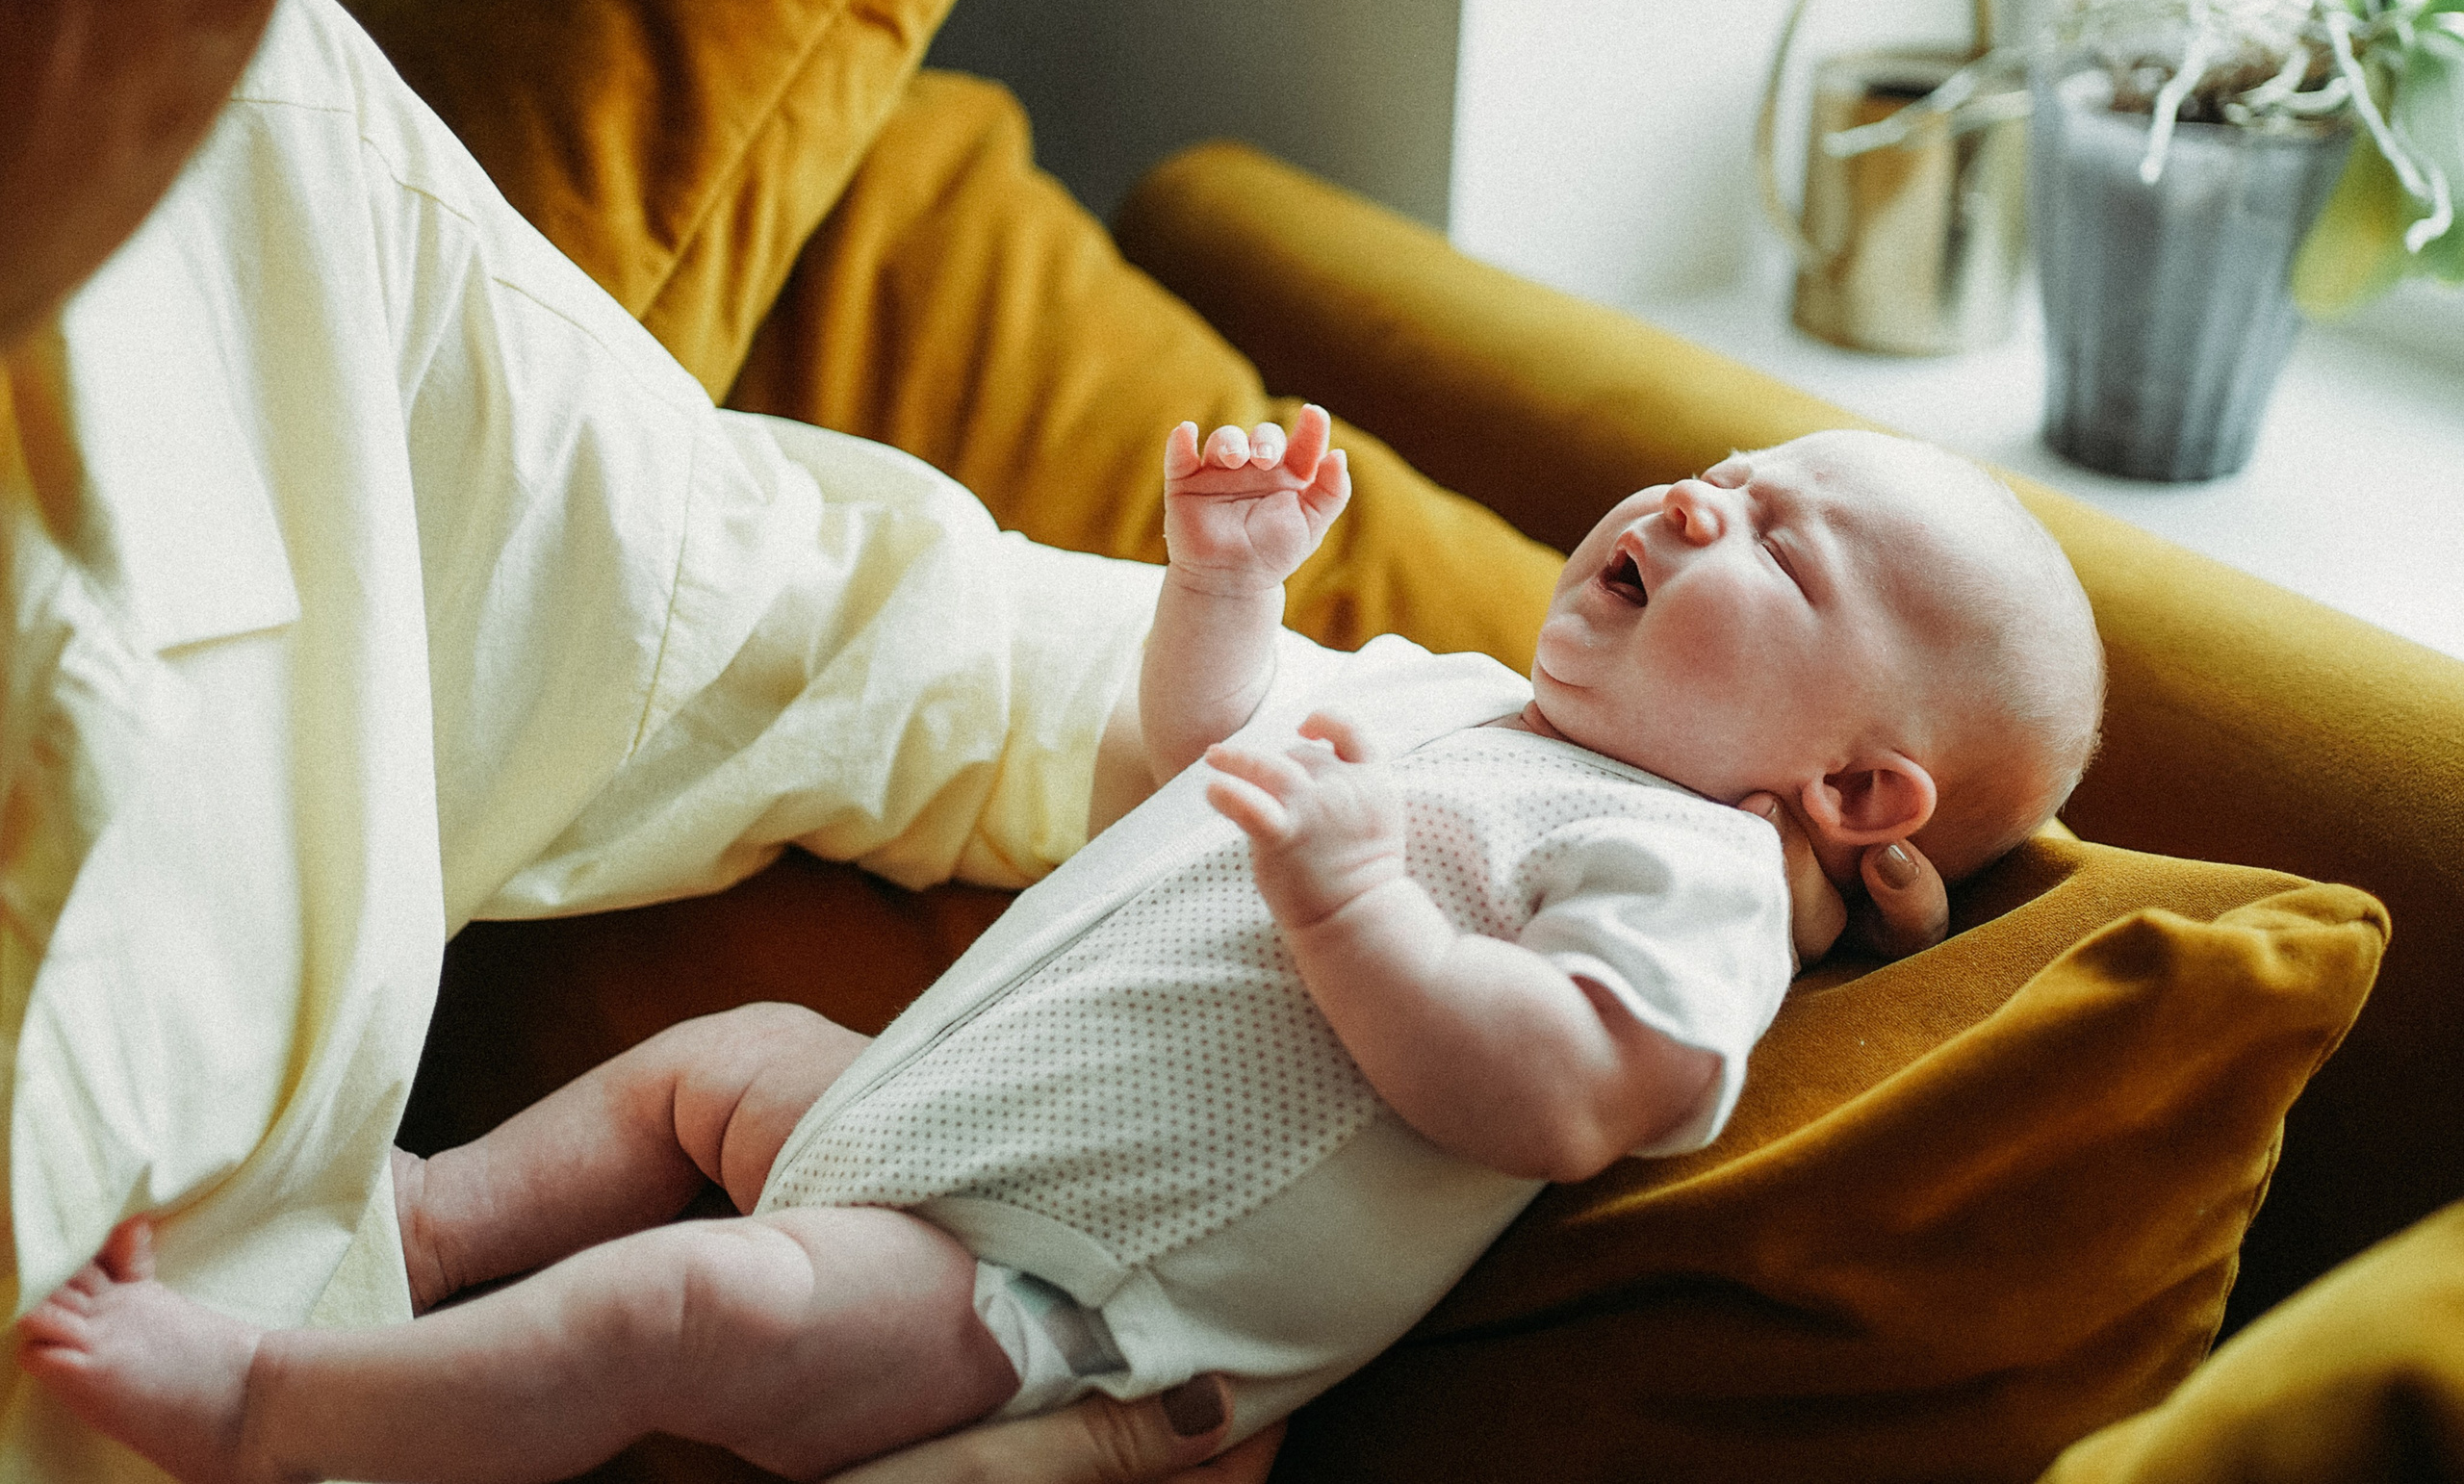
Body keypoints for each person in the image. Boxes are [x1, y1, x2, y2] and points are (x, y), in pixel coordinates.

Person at [14, 414, 2103, 1480]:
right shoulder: (1460, 698)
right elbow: (1181, 763)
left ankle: (285, 1396)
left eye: (1775, 542)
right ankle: (431, 1220)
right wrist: (1220, 591)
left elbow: (1558, 1089)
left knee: (689, 1302)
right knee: (714, 1055)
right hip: (918, 1117)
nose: (1691, 500)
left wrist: (1352, 899)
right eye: (1714, 474)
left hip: (1052, 1289)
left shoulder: (1697, 873)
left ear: (1853, 795)